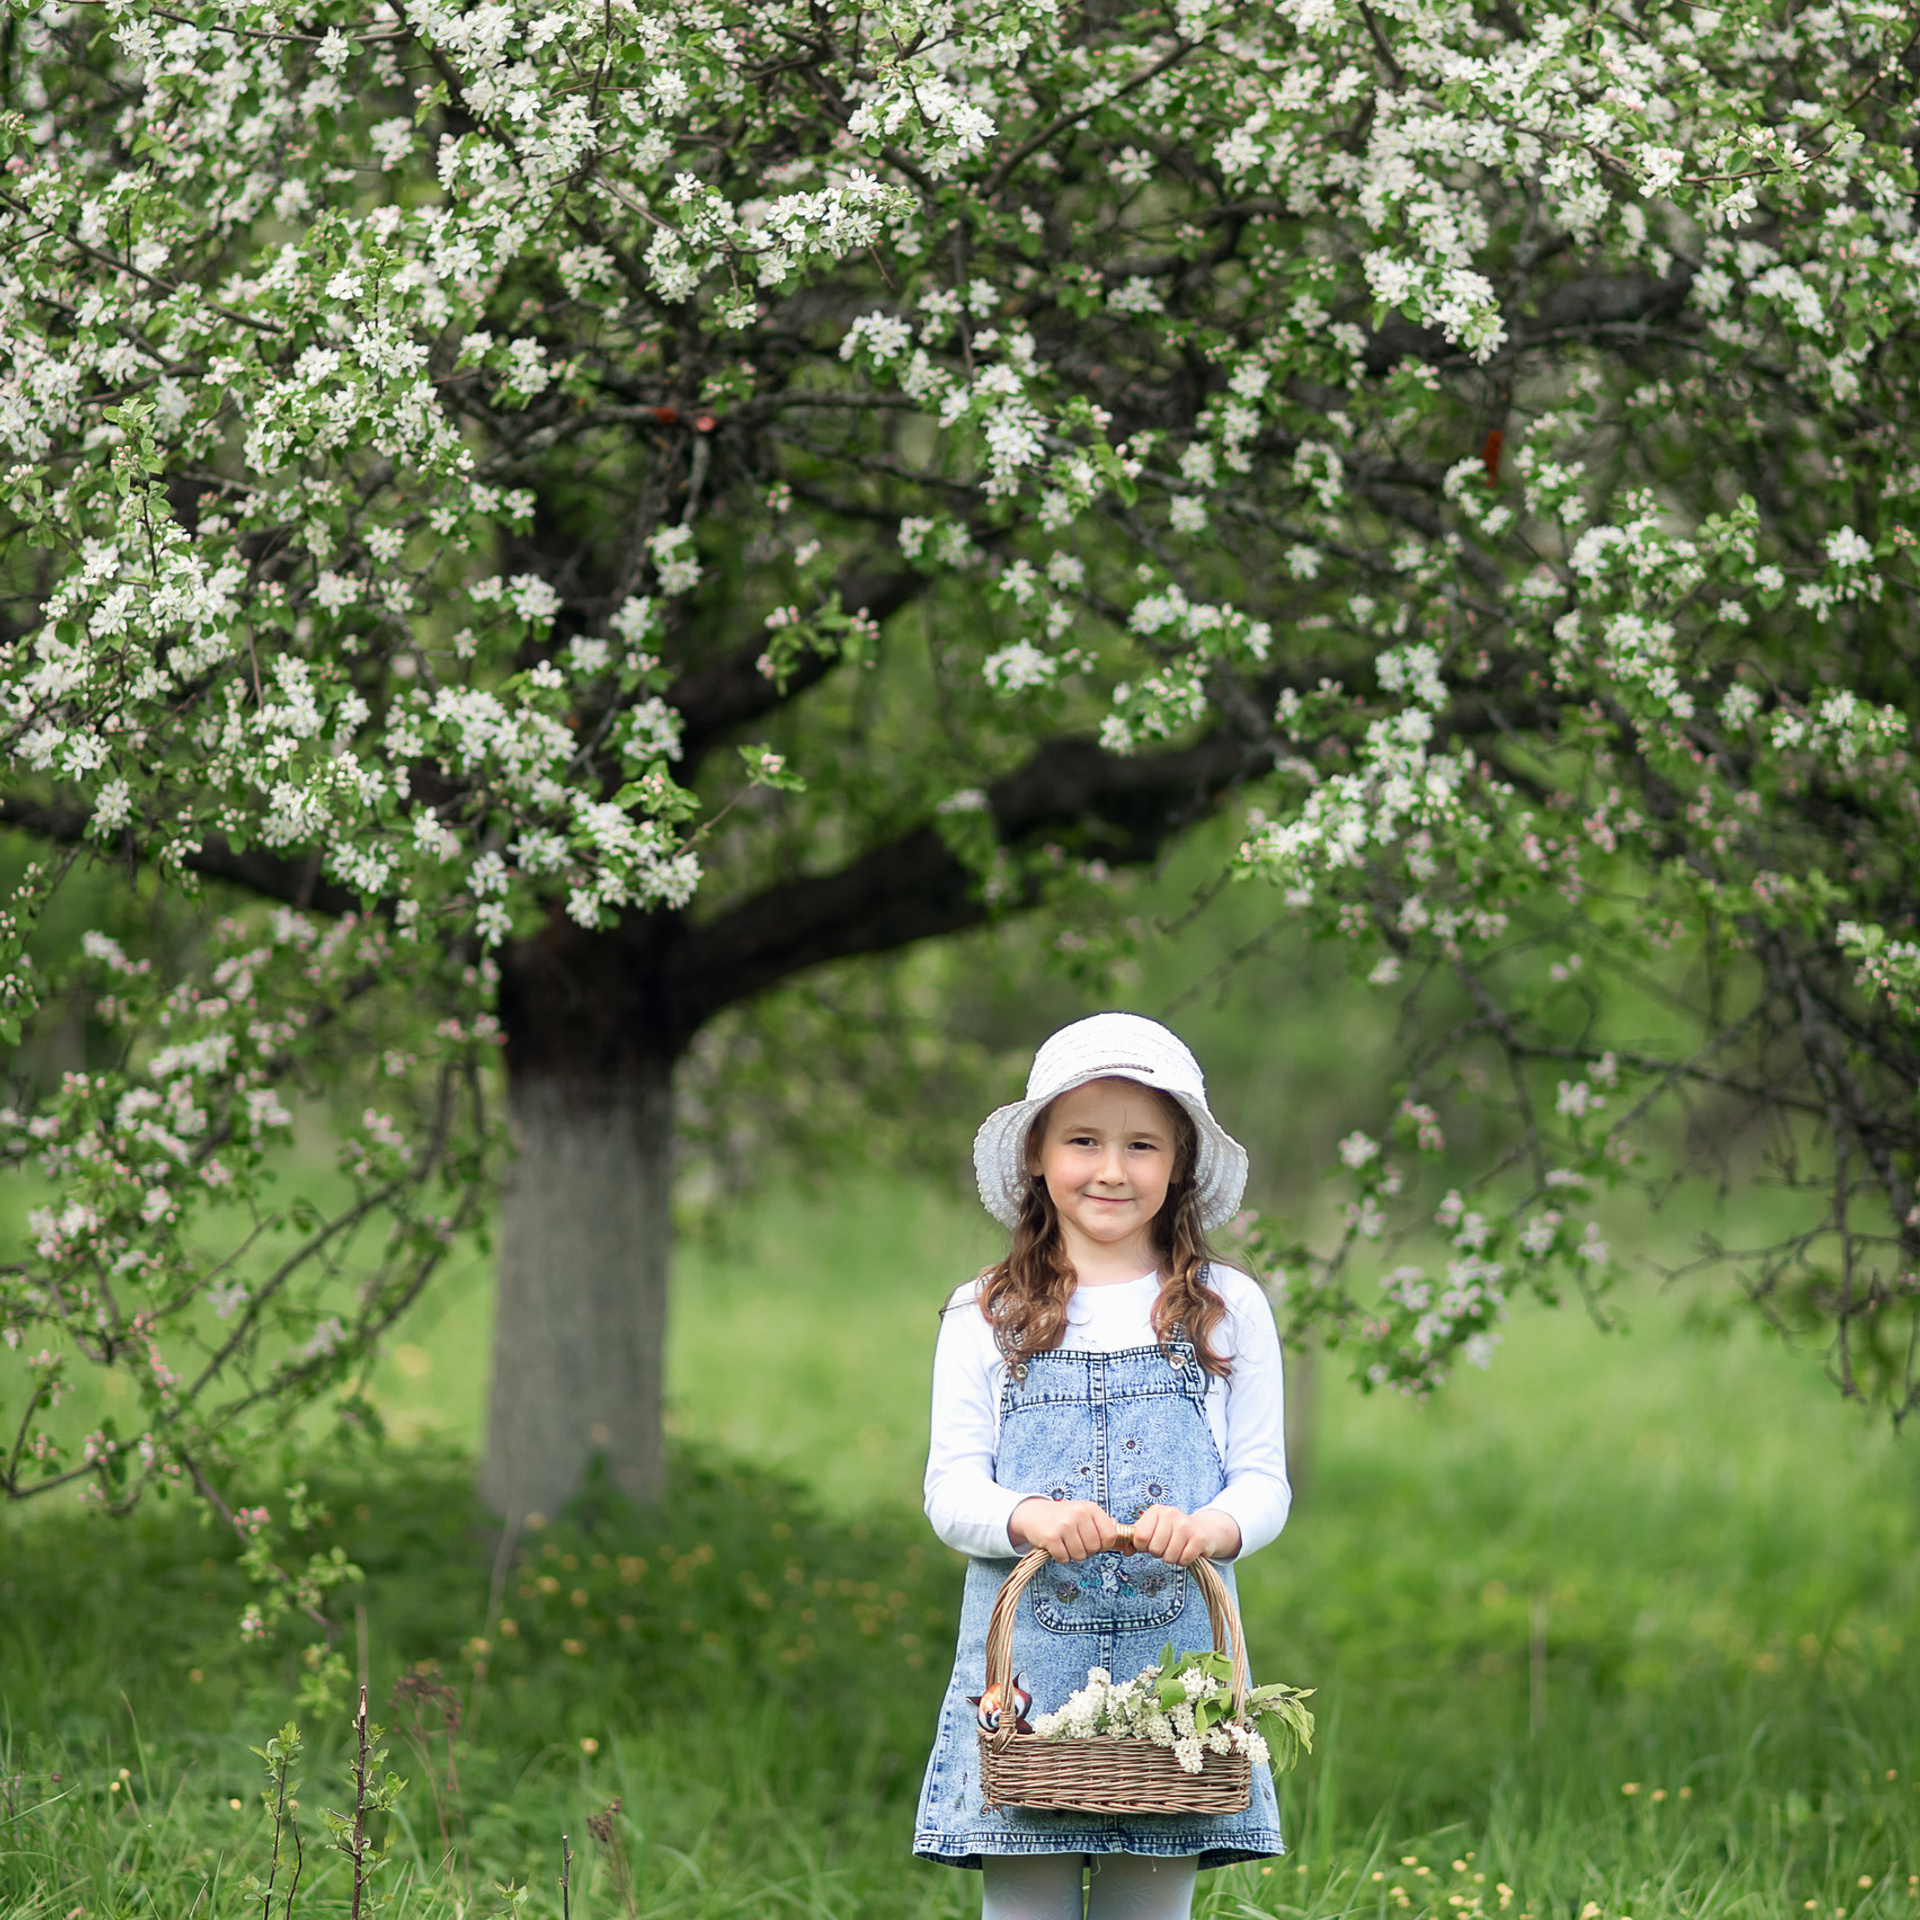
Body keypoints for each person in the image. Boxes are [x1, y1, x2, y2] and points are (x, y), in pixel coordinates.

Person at [914, 1012, 1292, 1919]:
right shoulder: (985, 1312)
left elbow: (1263, 1481)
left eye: (1142, 1145)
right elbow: (950, 1490)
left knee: (1148, 1908)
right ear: (1039, 1154)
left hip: (1176, 1680)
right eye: (1084, 1139)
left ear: (1180, 1164)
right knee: (1028, 1903)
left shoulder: (1223, 1307)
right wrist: (1028, 1517)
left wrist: (1213, 1527)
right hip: (1029, 1682)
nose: (1113, 1169)